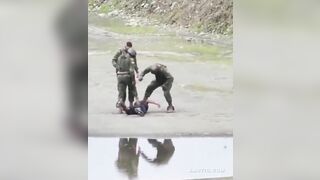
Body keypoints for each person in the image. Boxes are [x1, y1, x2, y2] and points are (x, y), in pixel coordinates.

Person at [112, 42, 139, 108]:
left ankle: (120, 103)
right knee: (131, 89)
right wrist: (134, 79)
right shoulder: (130, 55)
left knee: (121, 90)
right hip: (127, 75)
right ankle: (130, 104)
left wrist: (137, 71)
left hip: (120, 75)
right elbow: (132, 67)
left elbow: (135, 63)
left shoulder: (127, 54)